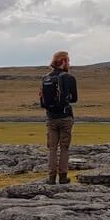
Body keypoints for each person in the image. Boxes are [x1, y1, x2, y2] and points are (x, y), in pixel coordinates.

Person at [41, 50, 78, 184]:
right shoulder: (69, 78)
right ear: (63, 61)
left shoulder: (46, 78)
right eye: (68, 60)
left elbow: (43, 101)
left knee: (52, 148)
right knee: (64, 148)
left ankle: (51, 177)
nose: (69, 63)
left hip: (51, 118)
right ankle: (63, 177)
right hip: (65, 117)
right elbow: (74, 99)